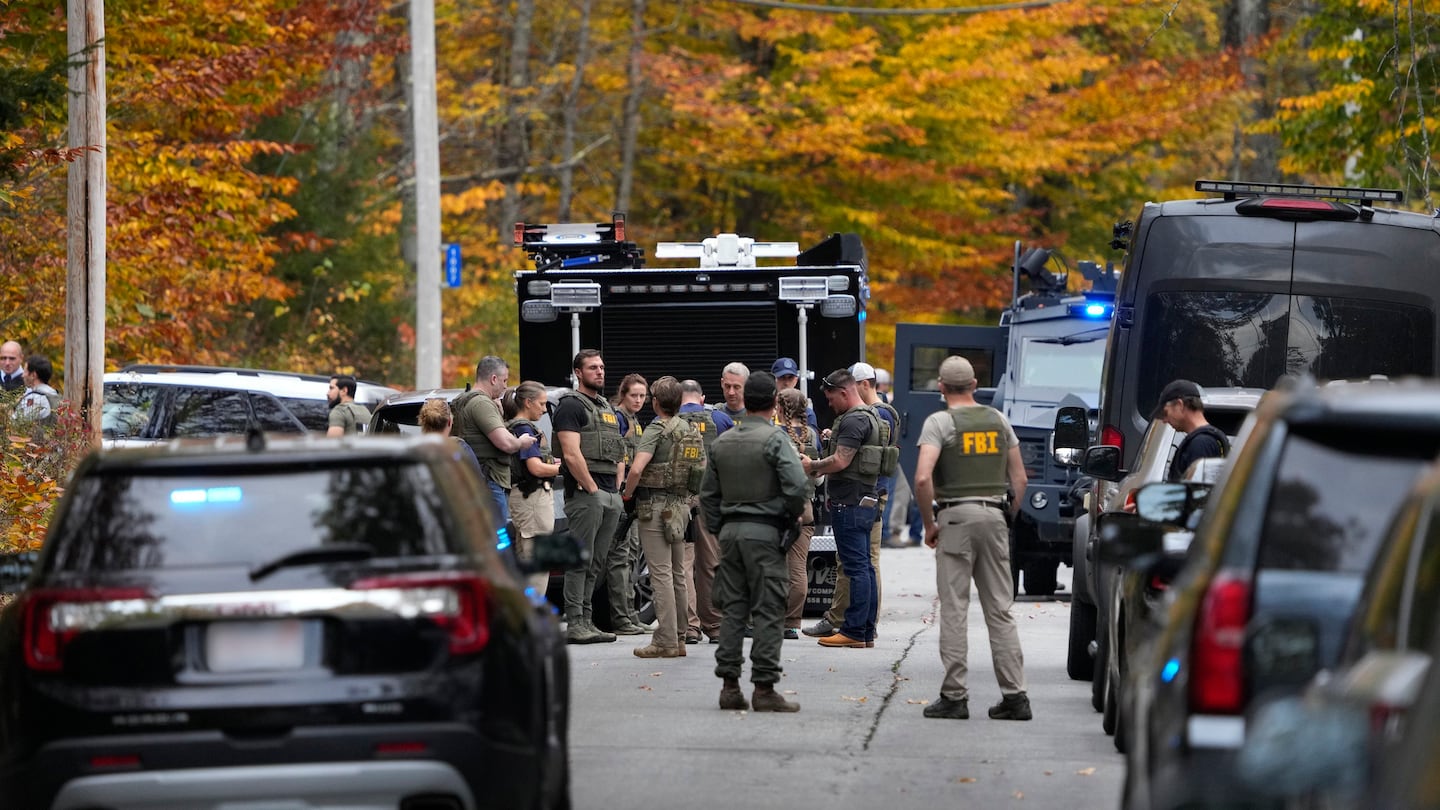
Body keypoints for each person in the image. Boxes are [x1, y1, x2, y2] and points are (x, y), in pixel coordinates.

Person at [912, 356, 1031, 721]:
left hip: (955, 518)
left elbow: (921, 478)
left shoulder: (940, 422)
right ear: (976, 385)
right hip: (994, 515)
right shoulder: (999, 421)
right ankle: (1015, 696)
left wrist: (930, 524)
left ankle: (954, 696)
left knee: (955, 609)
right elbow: (1021, 481)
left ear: (942, 388)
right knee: (1000, 609)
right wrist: (1004, 516)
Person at [701, 371, 808, 712]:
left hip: (731, 533)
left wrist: (721, 528)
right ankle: (764, 688)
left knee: (733, 609)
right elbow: (797, 487)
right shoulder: (776, 440)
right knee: (768, 610)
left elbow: (707, 496)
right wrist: (790, 521)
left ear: (745, 400)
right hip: (765, 533)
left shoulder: (722, 442)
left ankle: (729, 687)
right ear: (775, 402)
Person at [802, 369, 884, 649]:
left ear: (845, 392)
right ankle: (866, 631)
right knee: (866, 567)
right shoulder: (872, 416)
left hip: (848, 502)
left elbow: (839, 461)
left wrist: (811, 466)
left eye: (831, 397)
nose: (829, 404)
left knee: (855, 568)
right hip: (865, 500)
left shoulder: (853, 421)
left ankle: (853, 631)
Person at [622, 376, 702, 658]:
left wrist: (627, 494)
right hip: (681, 509)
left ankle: (666, 639)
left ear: (656, 402)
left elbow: (636, 469)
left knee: (661, 574)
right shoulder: (689, 428)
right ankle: (680, 636)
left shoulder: (657, 428)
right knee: (678, 573)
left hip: (655, 508)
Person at [554, 349, 626, 645]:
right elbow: (571, 453)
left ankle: (587, 620)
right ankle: (575, 623)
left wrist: (616, 492)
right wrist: (593, 489)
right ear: (578, 373)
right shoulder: (570, 406)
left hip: (609, 493)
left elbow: (619, 450)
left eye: (602, 367)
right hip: (587, 494)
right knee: (580, 561)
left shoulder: (606, 408)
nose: (600, 372)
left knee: (596, 563)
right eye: (593, 368)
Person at [678, 378, 733, 644]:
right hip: (712, 498)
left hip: (678, 499)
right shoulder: (721, 420)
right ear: (702, 399)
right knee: (711, 561)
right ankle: (714, 625)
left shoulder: (670, 419)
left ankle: (689, 626)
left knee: (684, 563)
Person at [454, 356, 537, 526]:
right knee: (497, 539)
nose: (506, 386)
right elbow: (505, 443)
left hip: (476, 481)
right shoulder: (481, 403)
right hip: (490, 481)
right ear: (493, 379)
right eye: (504, 380)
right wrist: (522, 442)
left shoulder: (464, 400)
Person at [502, 382, 562, 592]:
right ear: (528, 403)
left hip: (526, 500)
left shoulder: (515, 427)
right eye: (541, 404)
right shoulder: (524, 429)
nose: (544, 409)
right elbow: (535, 468)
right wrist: (565, 470)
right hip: (533, 499)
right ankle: (533, 618)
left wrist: (553, 464)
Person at [606, 373, 652, 635]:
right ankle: (622, 618)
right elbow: (618, 459)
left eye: (642, 396)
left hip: (633, 498)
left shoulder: (634, 419)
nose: (638, 400)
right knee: (620, 558)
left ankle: (631, 615)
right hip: (622, 496)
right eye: (633, 395)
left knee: (631, 557)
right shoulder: (618, 418)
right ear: (623, 394)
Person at [777, 387, 819, 641]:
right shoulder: (812, 435)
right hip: (806, 507)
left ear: (780, 408)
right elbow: (819, 476)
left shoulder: (775, 434)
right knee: (798, 568)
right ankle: (792, 622)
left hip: (777, 508)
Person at [853, 362, 902, 551]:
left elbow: (873, 453)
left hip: (874, 488)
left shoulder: (879, 412)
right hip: (875, 487)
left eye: (854, 385)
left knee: (871, 554)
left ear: (865, 384)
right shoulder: (878, 410)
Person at [1154, 379, 1230, 482]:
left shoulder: (1200, 444)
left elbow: (1195, 493)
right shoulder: (1213, 439)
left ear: (1179, 405)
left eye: (1166, 412)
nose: (1164, 420)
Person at [771, 357, 819, 434]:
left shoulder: (807, 412)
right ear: (774, 379)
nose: (786, 383)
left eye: (790, 378)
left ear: (796, 380)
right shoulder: (766, 410)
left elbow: (813, 442)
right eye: (782, 378)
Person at [14, 355, 59, 421]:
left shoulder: (35, 398)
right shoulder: (55, 394)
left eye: (25, 371)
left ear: (33, 375)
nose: (22, 375)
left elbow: (16, 422)